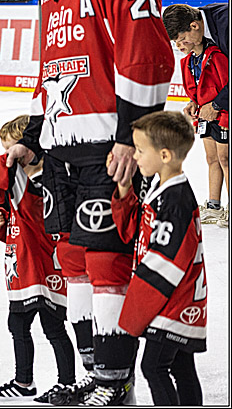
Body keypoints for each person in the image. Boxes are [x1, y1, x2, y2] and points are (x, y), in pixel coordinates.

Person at [9, 0, 174, 405]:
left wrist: (131, 136)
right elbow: (50, 73)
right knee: (72, 258)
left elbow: (144, 56)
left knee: (105, 260)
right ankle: (92, 372)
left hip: (107, 146)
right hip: (60, 152)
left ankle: (115, 378)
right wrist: (32, 138)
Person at [112, 112, 206, 405]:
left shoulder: (175, 200)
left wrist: (135, 312)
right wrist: (125, 190)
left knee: (153, 367)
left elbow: (166, 264)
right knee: (181, 366)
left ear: (164, 155)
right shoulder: (161, 189)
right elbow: (138, 233)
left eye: (140, 150)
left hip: (173, 303)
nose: (136, 157)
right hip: (176, 301)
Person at [0, 115, 75, 402]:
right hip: (22, 267)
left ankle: (67, 382)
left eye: (12, 149)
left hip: (40, 269)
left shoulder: (33, 184)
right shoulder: (21, 185)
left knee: (53, 327)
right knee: (18, 325)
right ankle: (24, 382)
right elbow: (12, 224)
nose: (7, 156)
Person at [163, 4, 230, 227]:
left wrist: (218, 105)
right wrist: (197, 102)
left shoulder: (225, 25)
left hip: (223, 112)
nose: (182, 46)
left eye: (183, 39)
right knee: (214, 159)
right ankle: (214, 205)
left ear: (194, 25)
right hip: (213, 113)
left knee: (225, 158)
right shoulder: (194, 54)